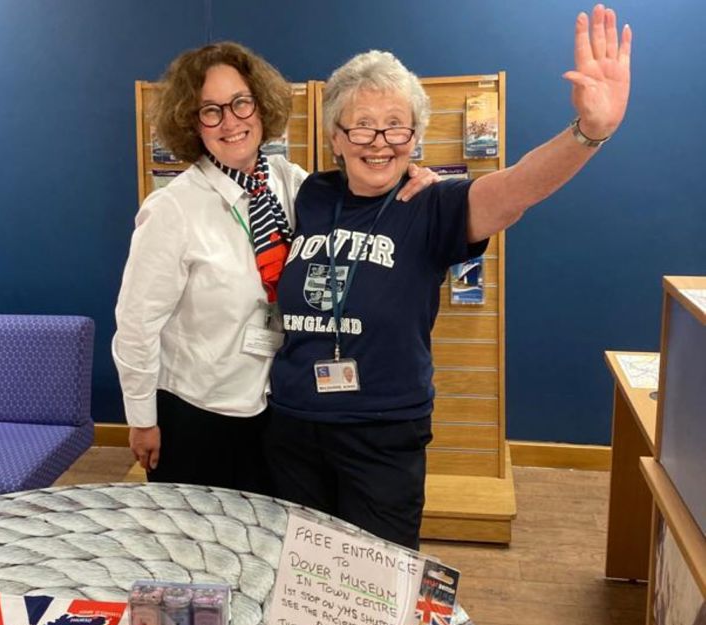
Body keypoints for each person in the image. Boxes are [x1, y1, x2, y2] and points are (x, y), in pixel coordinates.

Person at [266, 4, 631, 548]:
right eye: (361, 126)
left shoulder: (433, 204)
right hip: (293, 423)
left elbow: (516, 189)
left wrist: (587, 133)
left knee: (377, 579)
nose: (379, 141)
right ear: (335, 138)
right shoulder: (311, 194)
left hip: (382, 430)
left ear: (415, 137)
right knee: (298, 571)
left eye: (396, 126)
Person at [112, 42, 440, 493]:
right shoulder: (173, 209)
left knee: (261, 534)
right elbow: (136, 326)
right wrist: (141, 420)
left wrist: (415, 178)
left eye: (241, 103)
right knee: (199, 535)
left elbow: (364, 184)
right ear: (192, 122)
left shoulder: (292, 182)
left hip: (274, 411)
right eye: (211, 110)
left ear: (261, 105)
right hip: (198, 413)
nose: (231, 121)